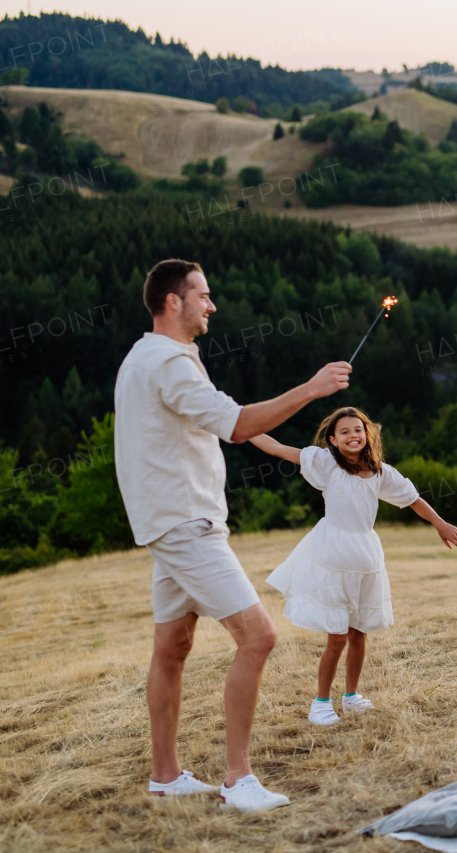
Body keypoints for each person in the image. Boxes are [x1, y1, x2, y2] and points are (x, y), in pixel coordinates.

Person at [114, 259, 352, 812]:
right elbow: (239, 425)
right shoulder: (169, 362)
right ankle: (238, 779)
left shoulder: (144, 357)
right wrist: (313, 390)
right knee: (259, 636)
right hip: (185, 523)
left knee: (172, 647)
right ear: (174, 301)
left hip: (168, 522)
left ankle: (166, 775)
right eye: (203, 294)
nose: (211, 304)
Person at [249, 407, 457, 724]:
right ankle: (321, 703)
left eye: (358, 429)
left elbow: (413, 499)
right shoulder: (326, 465)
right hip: (332, 555)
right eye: (345, 431)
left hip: (366, 556)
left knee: (359, 634)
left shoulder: (380, 472)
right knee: (336, 637)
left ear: (368, 434)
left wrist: (440, 523)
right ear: (333, 440)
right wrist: (240, 426)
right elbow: (276, 448)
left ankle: (351, 696)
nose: (353, 435)